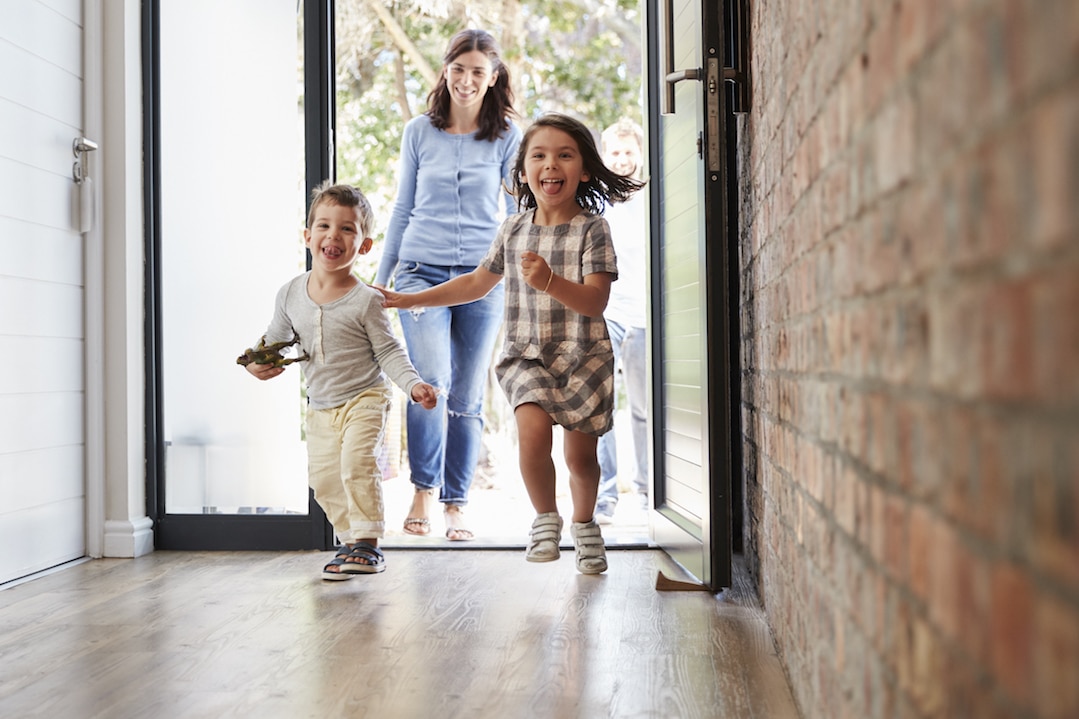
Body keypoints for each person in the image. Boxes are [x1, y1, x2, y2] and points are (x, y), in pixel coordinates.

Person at [378, 113, 644, 574]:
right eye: (538, 155)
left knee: (581, 458)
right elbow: (476, 283)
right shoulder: (513, 229)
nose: (550, 164)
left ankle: (584, 525)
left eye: (564, 155)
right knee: (532, 436)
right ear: (522, 172)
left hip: (584, 356)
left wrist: (550, 281)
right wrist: (409, 297)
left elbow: (596, 301)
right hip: (528, 356)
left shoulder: (593, 229)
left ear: (583, 169)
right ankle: (545, 519)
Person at [244, 181, 438, 580]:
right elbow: (274, 340)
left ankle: (368, 545)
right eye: (324, 226)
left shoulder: (367, 299)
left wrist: (413, 385)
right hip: (320, 404)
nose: (334, 235)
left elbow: (388, 352)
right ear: (308, 236)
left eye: (348, 229)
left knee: (356, 464)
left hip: (364, 396)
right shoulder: (289, 294)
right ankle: (350, 541)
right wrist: (255, 362)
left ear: (364, 246)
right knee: (324, 478)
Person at [374, 28, 522, 541]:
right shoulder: (419, 131)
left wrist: (520, 275)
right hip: (419, 272)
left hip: (484, 279)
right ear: (445, 70)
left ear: (493, 77)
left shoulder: (507, 137)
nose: (466, 80)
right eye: (458, 69)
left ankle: (456, 502)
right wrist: (380, 280)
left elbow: (515, 214)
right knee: (429, 383)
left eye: (477, 72)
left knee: (466, 393)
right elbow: (402, 206)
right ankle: (422, 490)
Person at [594, 118, 650, 524]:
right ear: (604, 156)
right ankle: (606, 495)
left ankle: (650, 491)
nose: (623, 159)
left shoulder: (654, 199)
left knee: (645, 409)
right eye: (615, 152)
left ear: (640, 155)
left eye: (629, 151)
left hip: (646, 315)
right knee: (603, 407)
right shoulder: (596, 205)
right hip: (607, 313)